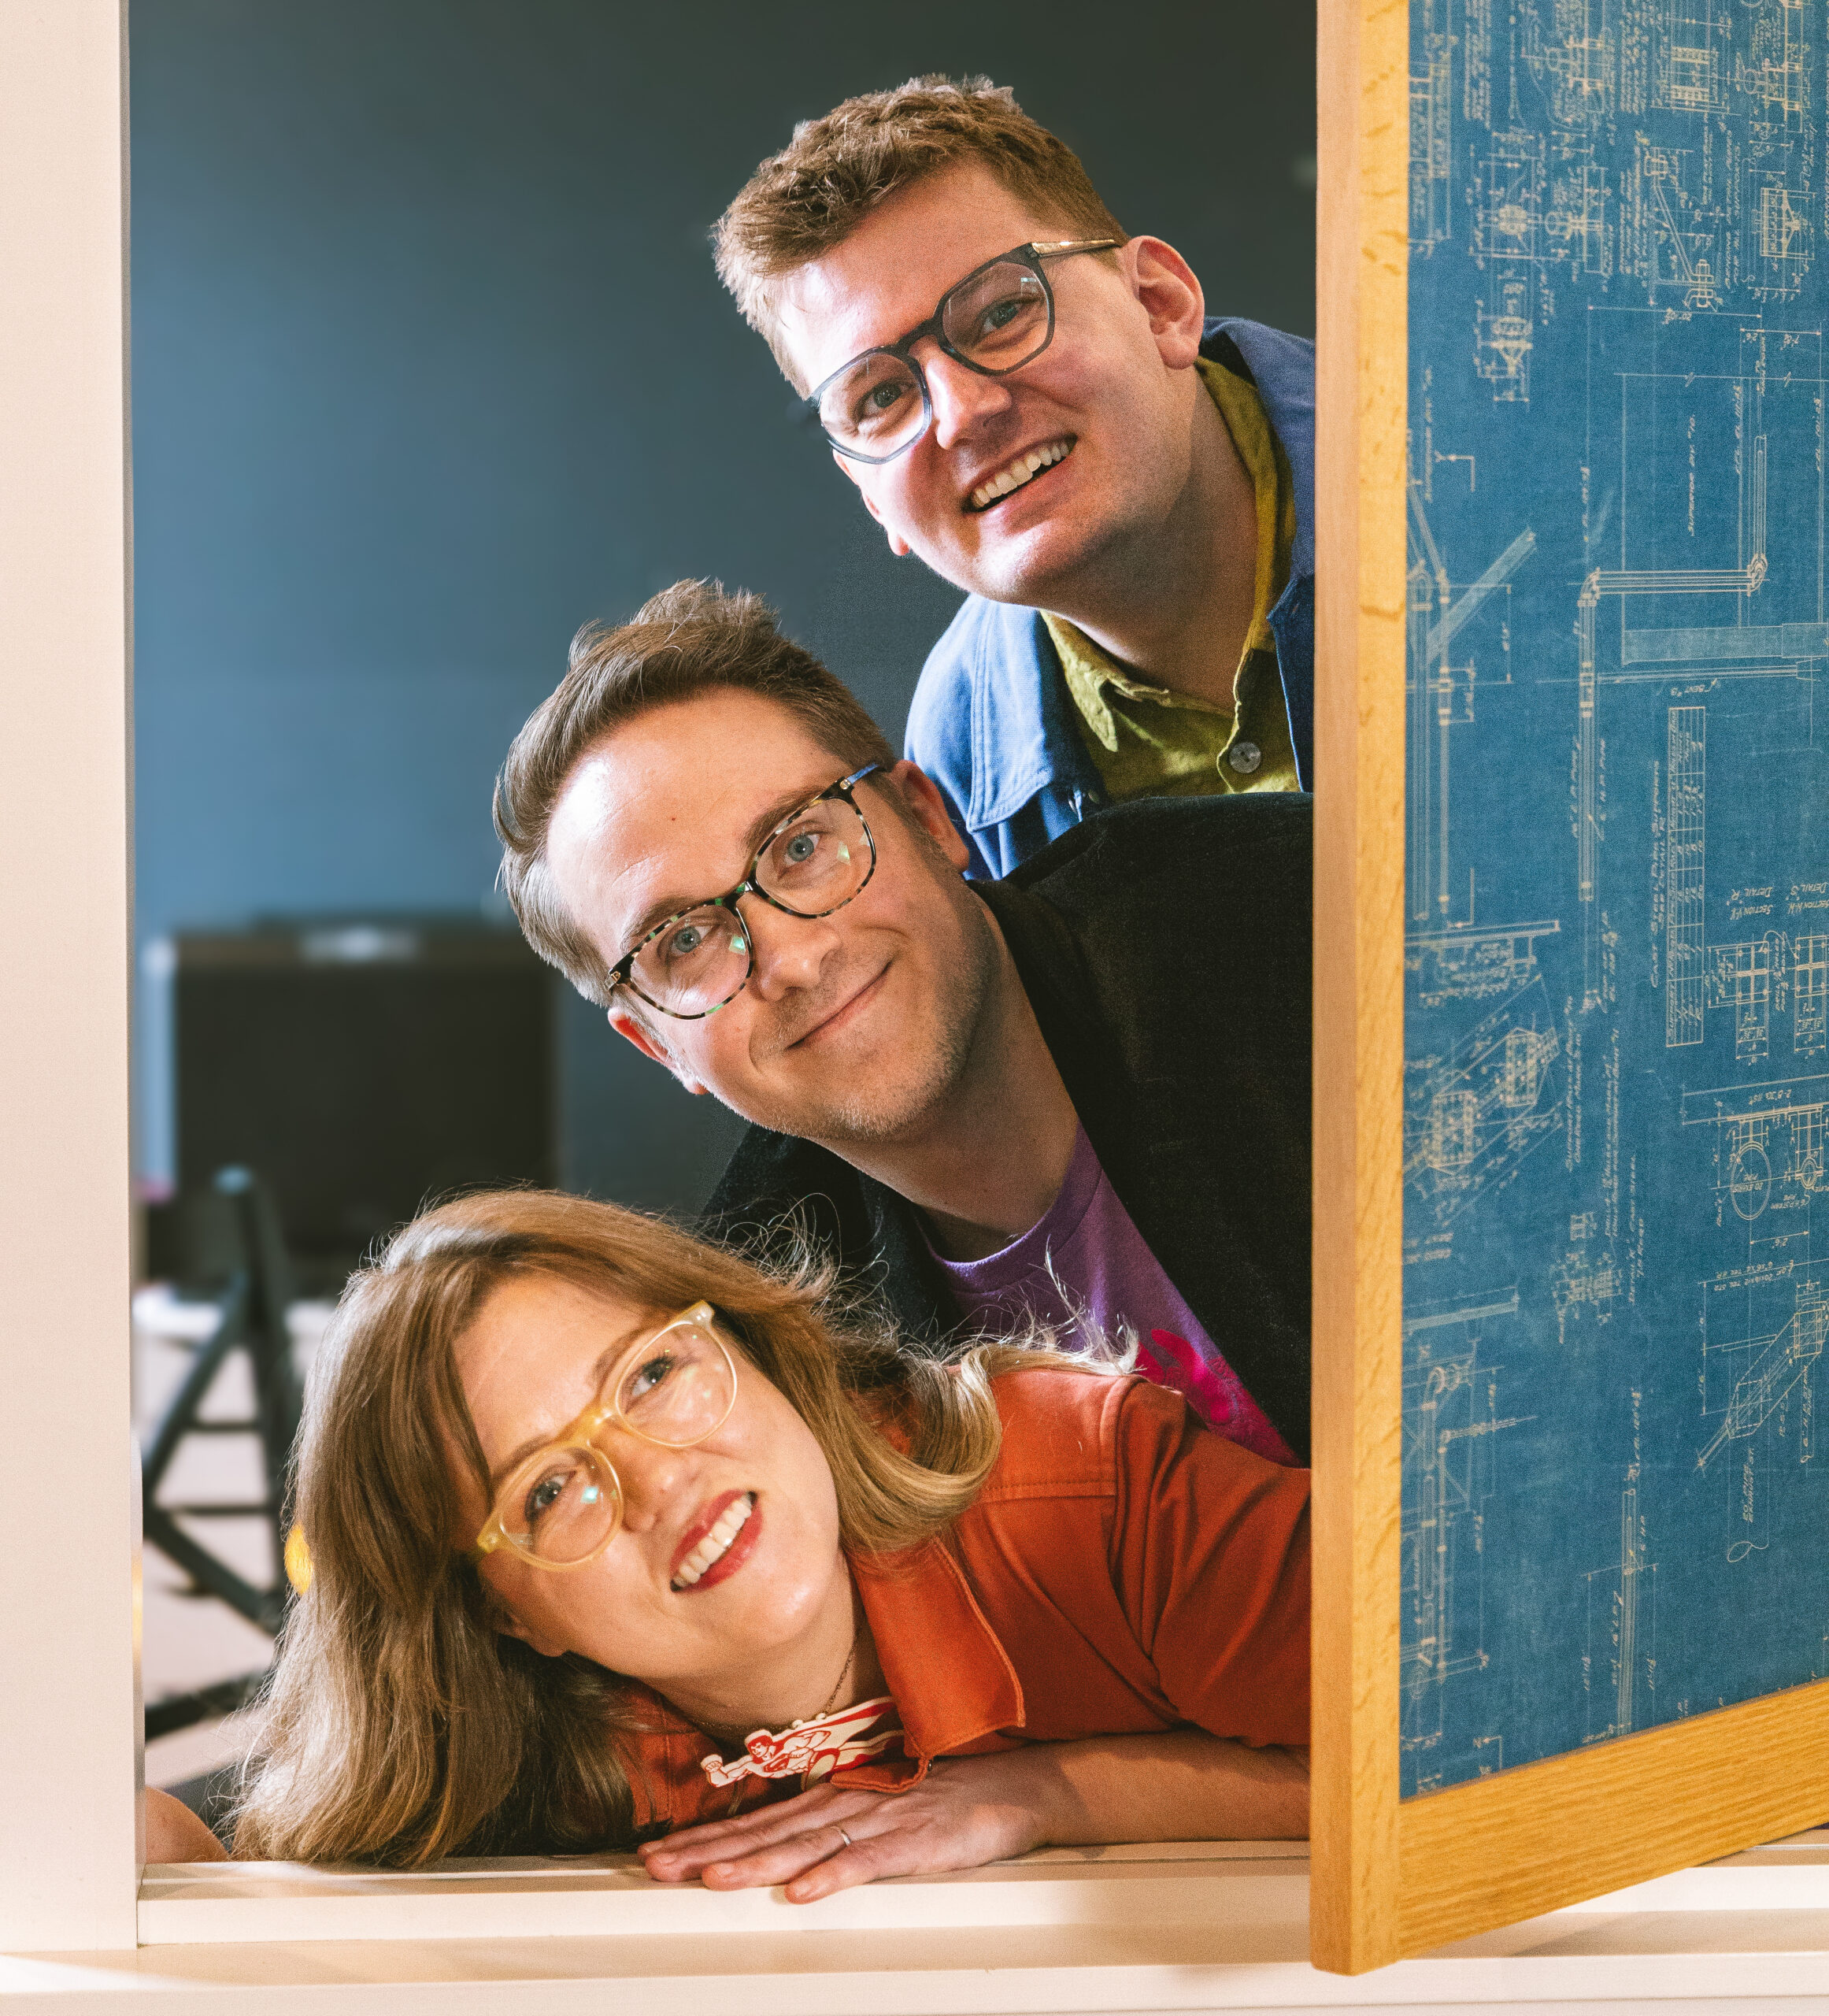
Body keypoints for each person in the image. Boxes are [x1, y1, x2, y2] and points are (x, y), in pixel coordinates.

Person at [146, 1190, 1310, 1883]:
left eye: (652, 1374)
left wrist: (1047, 1796)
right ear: (503, 1616)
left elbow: (1429, 1747)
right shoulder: (516, 1754)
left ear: (748, 1344)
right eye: (547, 1491)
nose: (660, 1481)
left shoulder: (1083, 1485)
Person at [493, 580, 1311, 1464]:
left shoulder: (1293, 911)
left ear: (927, 817)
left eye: (800, 846)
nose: (792, 960)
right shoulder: (764, 1358)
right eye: (684, 940)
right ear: (658, 1044)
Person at [713, 76, 1314, 878]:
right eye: (882, 397)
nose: (961, 415)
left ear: (1159, 305)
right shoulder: (954, 761)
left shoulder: (1462, 467)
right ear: (868, 495)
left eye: (1000, 314)